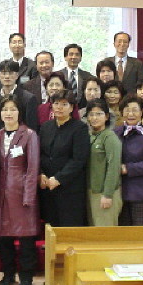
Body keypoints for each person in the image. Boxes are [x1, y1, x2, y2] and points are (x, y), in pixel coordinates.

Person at [0, 95, 40, 285]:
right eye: (5, 109)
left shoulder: (29, 135)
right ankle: (8, 274)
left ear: (19, 112)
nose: (9, 113)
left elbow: (32, 168)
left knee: (26, 239)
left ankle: (26, 277)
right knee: (4, 239)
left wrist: (29, 196)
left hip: (22, 195)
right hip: (1, 195)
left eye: (13, 109)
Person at [39, 90, 90, 226]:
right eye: (56, 103)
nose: (59, 107)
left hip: (70, 188)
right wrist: (41, 174)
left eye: (64, 104)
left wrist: (58, 179)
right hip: (47, 187)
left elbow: (78, 160)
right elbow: (40, 154)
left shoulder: (80, 128)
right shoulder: (45, 127)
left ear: (71, 108)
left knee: (69, 226)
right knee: (50, 226)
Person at [114, 95, 143, 226]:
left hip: (142, 194)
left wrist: (128, 168)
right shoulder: (115, 133)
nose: (131, 114)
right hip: (118, 193)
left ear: (142, 112)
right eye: (127, 110)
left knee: (141, 234)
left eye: (135, 110)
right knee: (122, 234)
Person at [85, 99, 122, 227]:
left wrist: (107, 194)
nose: (94, 118)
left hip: (104, 193)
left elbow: (114, 167)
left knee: (105, 233)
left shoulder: (110, 137)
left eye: (99, 114)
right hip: (91, 191)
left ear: (106, 116)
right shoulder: (90, 136)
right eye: (91, 114)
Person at [0, 60, 38, 132]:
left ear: (17, 75)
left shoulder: (28, 98)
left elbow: (32, 128)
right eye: (4, 73)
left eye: (11, 73)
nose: (7, 76)